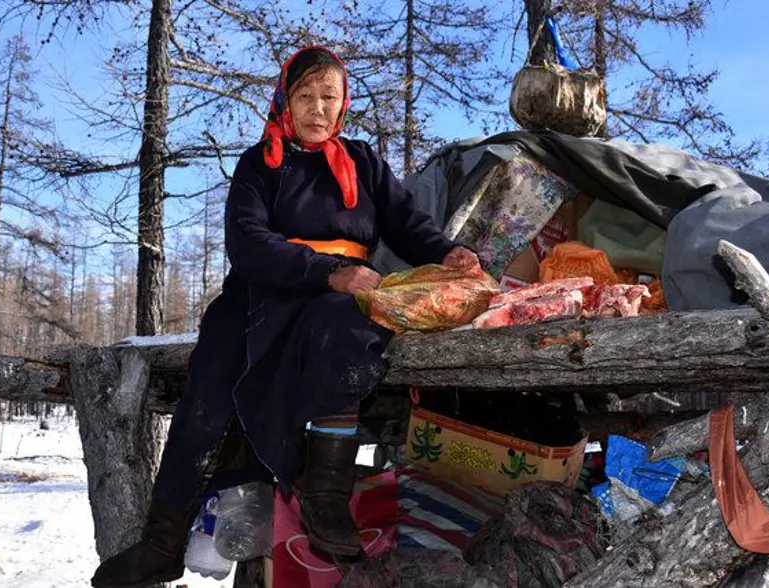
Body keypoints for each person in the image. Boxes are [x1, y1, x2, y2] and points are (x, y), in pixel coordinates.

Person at [90, 46, 479, 588]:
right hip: (261, 295)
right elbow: (247, 243)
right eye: (305, 96)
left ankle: (325, 499)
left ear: (343, 105)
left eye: (329, 97)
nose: (318, 109)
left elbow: (409, 224)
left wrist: (446, 254)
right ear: (285, 101)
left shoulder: (364, 163)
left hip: (339, 299)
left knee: (343, 329)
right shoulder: (261, 163)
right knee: (209, 391)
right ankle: (161, 542)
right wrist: (327, 271)